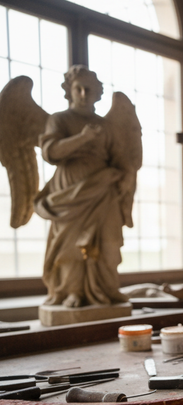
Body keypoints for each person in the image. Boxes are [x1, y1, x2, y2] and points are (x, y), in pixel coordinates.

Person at [34, 65, 137, 308]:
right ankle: (72, 291)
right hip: (69, 190)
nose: (83, 93)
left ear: (97, 93)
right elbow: (50, 152)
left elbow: (122, 159)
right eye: (77, 88)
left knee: (109, 242)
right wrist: (83, 138)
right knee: (69, 245)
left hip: (104, 190)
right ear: (69, 91)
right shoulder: (58, 120)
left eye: (88, 89)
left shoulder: (107, 126)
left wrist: (125, 176)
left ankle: (107, 289)